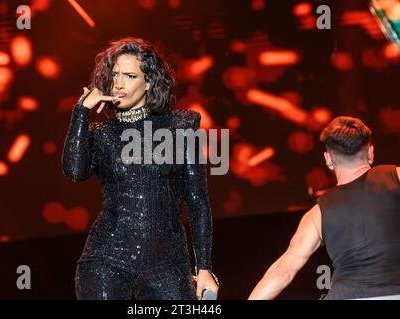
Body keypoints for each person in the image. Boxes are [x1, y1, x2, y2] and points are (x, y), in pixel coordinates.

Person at [62, 37, 219, 300]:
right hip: (108, 258)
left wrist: (204, 267)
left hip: (168, 263)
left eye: (130, 75)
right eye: (114, 75)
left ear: (148, 82)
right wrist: (81, 112)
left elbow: (197, 200)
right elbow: (75, 172)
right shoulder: (102, 134)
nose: (119, 84)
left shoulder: (182, 127)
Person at [248, 116, 400, 300]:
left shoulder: (317, 213)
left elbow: (282, 271)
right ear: (370, 153)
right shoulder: (396, 176)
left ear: (328, 159)